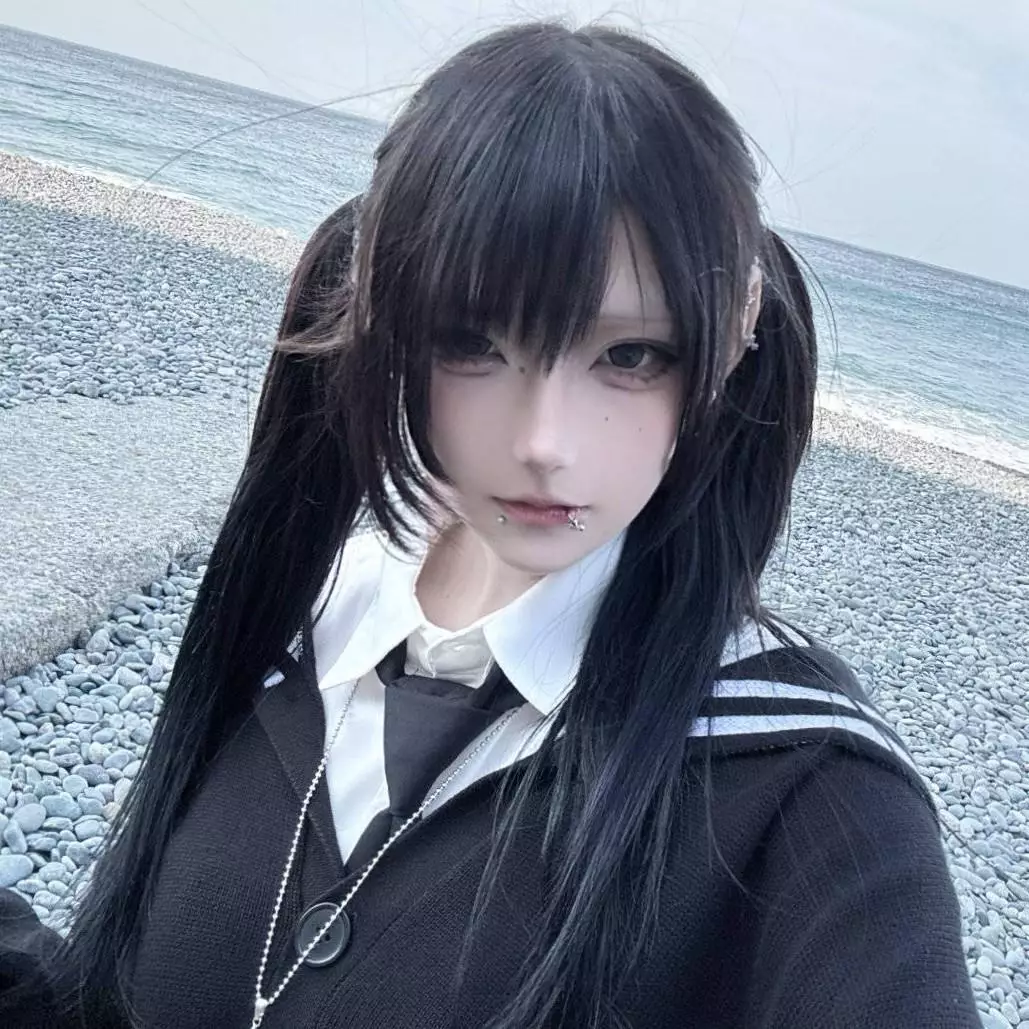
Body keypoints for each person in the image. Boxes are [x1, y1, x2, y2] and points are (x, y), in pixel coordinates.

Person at [0, 19, 980, 1029]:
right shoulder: (289, 614)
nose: (544, 441)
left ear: (731, 342)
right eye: (472, 341)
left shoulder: (804, 785)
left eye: (630, 356)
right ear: (386, 318)